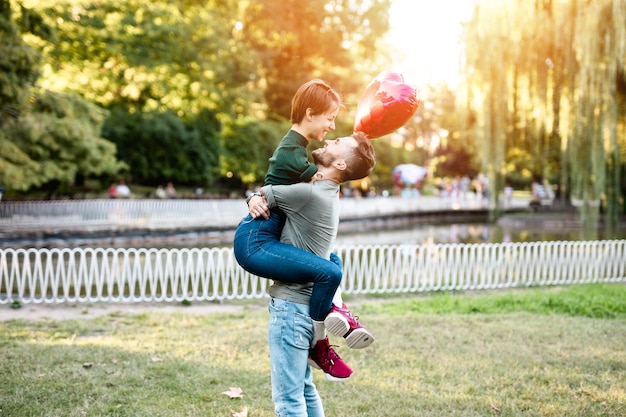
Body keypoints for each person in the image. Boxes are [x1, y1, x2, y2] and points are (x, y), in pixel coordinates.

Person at [234, 80, 373, 376]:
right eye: (330, 119)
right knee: (330, 271)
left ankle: (336, 311)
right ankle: (323, 336)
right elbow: (287, 183)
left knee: (331, 261)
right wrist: (256, 196)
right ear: (311, 113)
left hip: (268, 232)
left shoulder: (300, 148)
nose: (332, 128)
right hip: (257, 239)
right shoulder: (294, 152)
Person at [253, 132, 376, 416]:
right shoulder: (327, 192)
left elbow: (264, 193)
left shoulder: (308, 194)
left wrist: (252, 198)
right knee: (304, 389)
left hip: (290, 309)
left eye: (337, 144)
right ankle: (340, 311)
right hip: (308, 309)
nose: (330, 140)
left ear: (342, 165)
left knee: (288, 400)